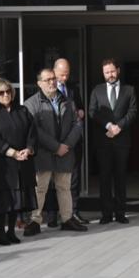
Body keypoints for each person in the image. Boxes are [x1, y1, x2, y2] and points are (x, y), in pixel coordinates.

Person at [23, 68, 85, 236]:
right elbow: (34, 129)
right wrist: (55, 146)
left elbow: (77, 124)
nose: (52, 82)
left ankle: (67, 219)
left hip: (65, 152)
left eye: (53, 79)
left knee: (64, 187)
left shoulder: (68, 101)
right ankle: (35, 221)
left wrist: (66, 145)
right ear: (39, 83)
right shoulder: (31, 104)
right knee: (40, 189)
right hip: (43, 153)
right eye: (47, 79)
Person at [0, 78, 36, 245]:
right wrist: (11, 151)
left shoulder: (22, 110)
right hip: (2, 163)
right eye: (1, 92)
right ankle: (1, 233)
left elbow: (32, 132)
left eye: (8, 91)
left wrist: (28, 148)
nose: (5, 95)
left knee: (17, 200)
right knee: (2, 200)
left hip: (22, 161)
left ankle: (12, 231)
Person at [89, 57, 137, 224]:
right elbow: (92, 112)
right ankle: (106, 214)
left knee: (120, 177)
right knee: (104, 177)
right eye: (106, 72)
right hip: (103, 141)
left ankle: (121, 213)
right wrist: (109, 125)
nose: (110, 74)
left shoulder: (129, 90)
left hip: (122, 141)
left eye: (112, 71)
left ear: (118, 70)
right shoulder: (97, 90)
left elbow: (132, 111)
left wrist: (119, 126)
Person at [50, 57, 89, 225]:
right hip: (54, 142)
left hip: (72, 141)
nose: (64, 78)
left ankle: (74, 212)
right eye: (61, 74)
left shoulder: (72, 88)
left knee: (73, 178)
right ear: (54, 72)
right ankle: (52, 215)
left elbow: (80, 107)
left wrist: (81, 111)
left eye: (66, 74)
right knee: (52, 179)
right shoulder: (49, 88)